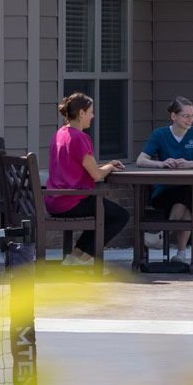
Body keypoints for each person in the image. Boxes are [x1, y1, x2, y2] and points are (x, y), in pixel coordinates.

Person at [46, 92, 128, 267]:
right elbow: (97, 175)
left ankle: (75, 257)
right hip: (71, 201)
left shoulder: (60, 133)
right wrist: (111, 166)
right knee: (120, 216)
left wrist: (105, 166)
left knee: (106, 212)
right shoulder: (80, 138)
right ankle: (83, 259)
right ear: (81, 113)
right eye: (90, 112)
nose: (92, 116)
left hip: (53, 200)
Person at [136, 96, 193, 262]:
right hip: (165, 190)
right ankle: (181, 252)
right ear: (174, 116)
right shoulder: (160, 134)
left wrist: (189, 164)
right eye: (186, 116)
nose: (190, 119)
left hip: (191, 189)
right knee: (188, 199)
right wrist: (162, 163)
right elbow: (141, 160)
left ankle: (163, 235)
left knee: (188, 194)